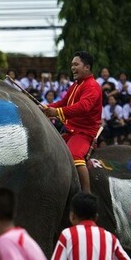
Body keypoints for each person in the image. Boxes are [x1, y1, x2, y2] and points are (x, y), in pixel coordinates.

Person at [42, 51, 102, 193]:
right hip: (71, 130)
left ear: (87, 67)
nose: (72, 68)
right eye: (72, 65)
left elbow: (83, 107)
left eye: (76, 64)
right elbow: (63, 102)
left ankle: (86, 194)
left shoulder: (92, 86)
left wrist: (56, 112)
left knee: (74, 156)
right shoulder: (76, 85)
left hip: (84, 132)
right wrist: (45, 108)